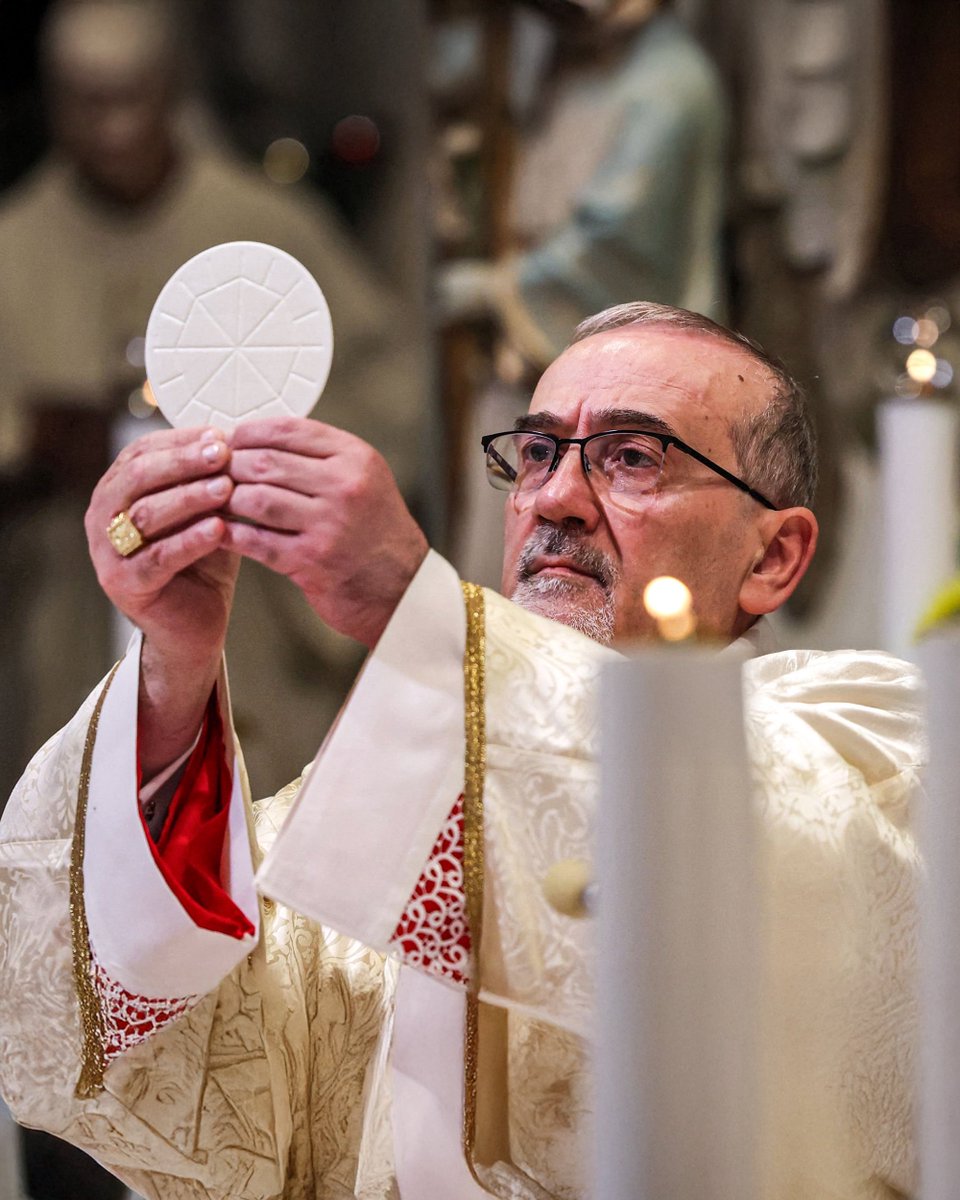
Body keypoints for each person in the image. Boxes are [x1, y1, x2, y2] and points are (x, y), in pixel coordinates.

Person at [0, 303, 921, 1198]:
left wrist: (407, 603)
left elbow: (773, 868)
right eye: (537, 453)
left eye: (634, 458)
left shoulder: (869, 740)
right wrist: (175, 669)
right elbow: (189, 1058)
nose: (555, 498)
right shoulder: (408, 792)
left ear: (774, 558)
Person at [0, 0, 424, 802]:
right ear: (54, 103)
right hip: (71, 610)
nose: (117, 129)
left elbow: (387, 392)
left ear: (172, 89)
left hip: (256, 612)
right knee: (93, 827)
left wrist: (264, 450)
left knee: (260, 836)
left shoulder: (264, 229)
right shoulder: (12, 249)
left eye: (134, 97)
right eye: (90, 102)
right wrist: (28, 444)